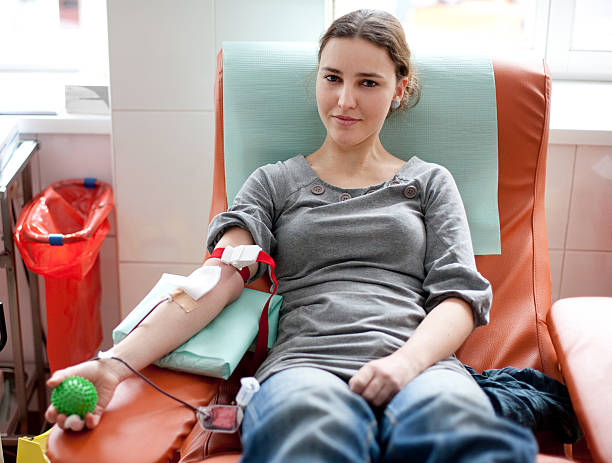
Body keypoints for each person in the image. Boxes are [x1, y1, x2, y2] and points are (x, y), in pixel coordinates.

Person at [46, 9, 538, 462]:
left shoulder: (430, 182)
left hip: (422, 366)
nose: (345, 101)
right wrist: (113, 366)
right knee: (306, 432)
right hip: (305, 368)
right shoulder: (274, 182)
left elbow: (459, 296)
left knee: (459, 432)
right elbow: (217, 279)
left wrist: (405, 365)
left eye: (368, 82)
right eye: (333, 78)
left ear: (399, 90)